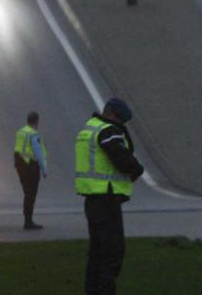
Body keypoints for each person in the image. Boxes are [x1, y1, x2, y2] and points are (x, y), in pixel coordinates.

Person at [76, 98, 144, 295]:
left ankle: (93, 290)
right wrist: (137, 169)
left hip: (92, 198)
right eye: (121, 120)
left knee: (97, 251)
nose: (122, 124)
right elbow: (121, 157)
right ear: (113, 114)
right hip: (106, 198)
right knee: (113, 252)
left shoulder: (89, 128)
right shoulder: (107, 131)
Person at [14, 111, 48, 230]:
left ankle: (27, 220)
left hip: (20, 165)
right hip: (31, 166)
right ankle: (28, 221)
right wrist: (44, 170)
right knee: (31, 194)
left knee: (27, 193)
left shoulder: (20, 132)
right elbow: (38, 153)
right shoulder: (33, 134)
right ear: (37, 121)